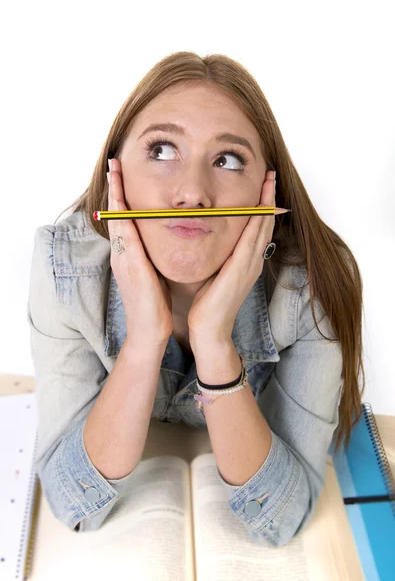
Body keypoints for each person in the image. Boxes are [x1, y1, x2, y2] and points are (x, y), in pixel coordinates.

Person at [27, 51, 365, 544]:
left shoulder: (313, 283)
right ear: (115, 174)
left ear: (266, 192)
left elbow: (283, 516)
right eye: (163, 150)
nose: (192, 193)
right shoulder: (66, 267)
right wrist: (146, 337)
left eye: (227, 160)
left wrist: (214, 340)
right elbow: (73, 502)